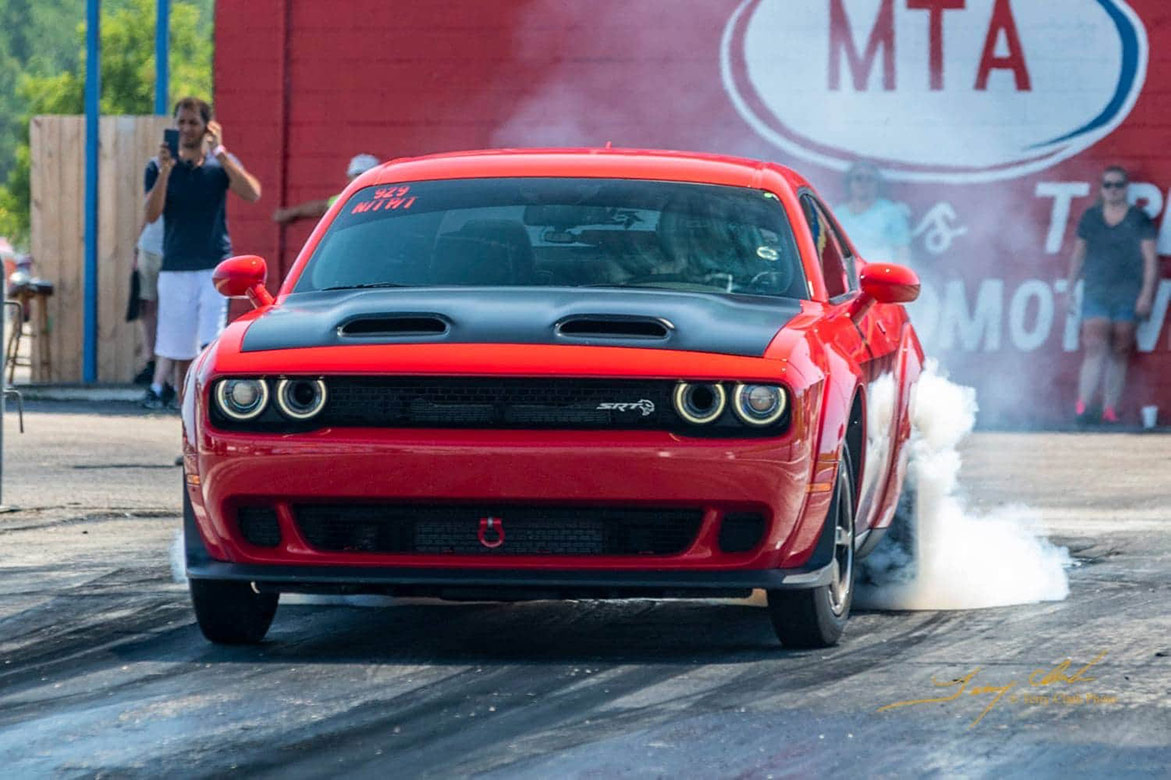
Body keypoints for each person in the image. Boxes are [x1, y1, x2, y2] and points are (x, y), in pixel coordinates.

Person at [143, 97, 262, 412]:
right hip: (175, 268)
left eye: (193, 122)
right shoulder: (157, 166)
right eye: (181, 122)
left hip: (213, 268)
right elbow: (151, 214)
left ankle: (213, 416)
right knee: (182, 354)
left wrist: (220, 153)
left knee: (212, 346)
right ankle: (189, 427)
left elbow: (252, 194)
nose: (186, 129)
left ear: (207, 127)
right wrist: (166, 171)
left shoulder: (220, 164)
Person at [1065, 165, 1158, 424]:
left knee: (1119, 349)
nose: (1113, 189)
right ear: (1102, 189)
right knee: (1094, 346)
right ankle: (1083, 406)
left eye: (1118, 185)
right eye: (1108, 185)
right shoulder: (1091, 218)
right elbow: (1078, 255)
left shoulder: (1139, 218)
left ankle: (1109, 409)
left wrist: (1146, 295)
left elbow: (1150, 260)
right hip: (1096, 290)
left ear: (1126, 188)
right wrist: (1069, 289)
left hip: (1128, 293)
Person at [834, 161, 911, 263]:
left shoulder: (891, 212)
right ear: (849, 183)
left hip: (880, 273)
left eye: (869, 179)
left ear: (877, 184)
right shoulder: (837, 214)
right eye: (858, 178)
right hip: (845, 273)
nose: (863, 183)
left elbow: (902, 250)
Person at [271, 153, 380, 225]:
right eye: (357, 175)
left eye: (365, 175)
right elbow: (322, 207)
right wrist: (292, 213)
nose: (360, 180)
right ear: (348, 180)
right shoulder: (347, 199)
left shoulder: (381, 196)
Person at [132, 217, 171, 389]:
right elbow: (149, 212)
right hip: (150, 248)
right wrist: (136, 251)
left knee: (172, 309)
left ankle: (169, 370)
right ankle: (152, 362)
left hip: (177, 250)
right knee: (147, 307)